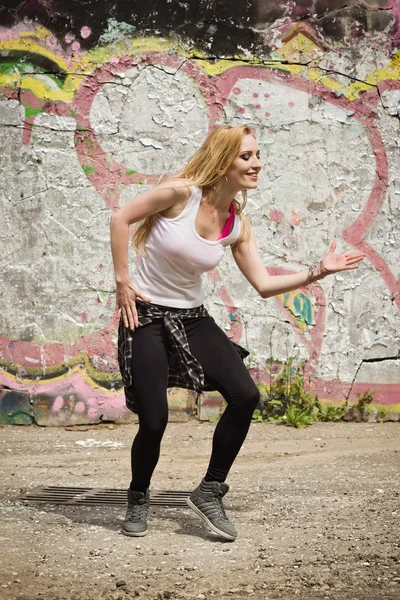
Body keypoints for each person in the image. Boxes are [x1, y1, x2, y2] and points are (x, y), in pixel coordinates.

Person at [110, 125, 365, 541]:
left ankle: (210, 490)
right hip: (145, 315)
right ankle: (138, 496)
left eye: (258, 155)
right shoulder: (180, 193)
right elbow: (120, 218)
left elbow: (263, 284)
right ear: (223, 160)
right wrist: (123, 280)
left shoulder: (236, 223)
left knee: (245, 395)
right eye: (246, 156)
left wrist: (318, 272)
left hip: (192, 317)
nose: (257, 164)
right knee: (154, 420)